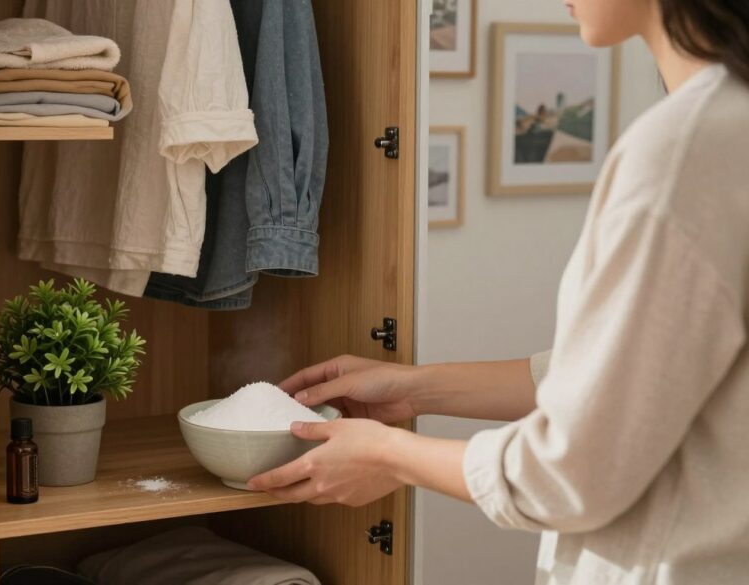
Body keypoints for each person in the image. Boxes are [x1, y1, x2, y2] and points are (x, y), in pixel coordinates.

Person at [246, 0, 749, 582]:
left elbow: (574, 472)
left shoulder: (684, 154)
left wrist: (389, 455)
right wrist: (416, 389)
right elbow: (637, 373)